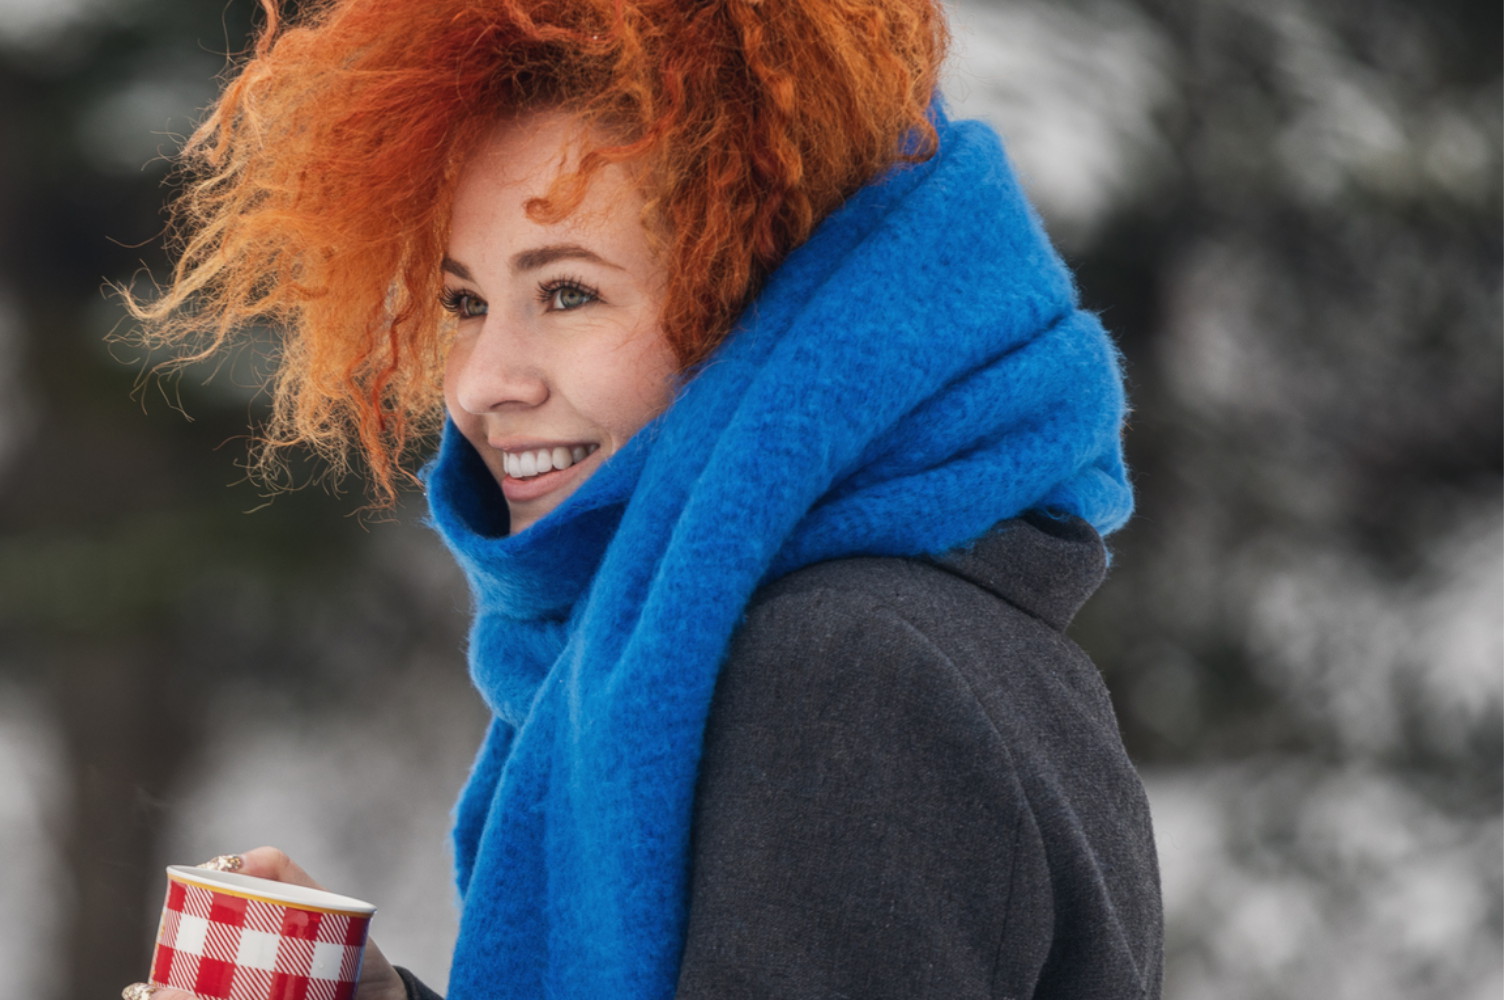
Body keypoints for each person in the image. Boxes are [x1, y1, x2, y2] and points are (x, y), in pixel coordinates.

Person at [126, 1, 1162, 998]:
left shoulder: (849, 676)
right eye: (465, 302)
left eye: (567, 291)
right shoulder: (799, 646)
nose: (486, 379)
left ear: (758, 303)